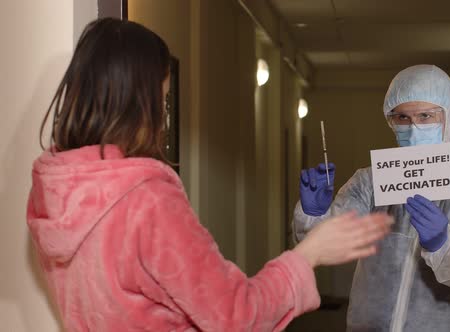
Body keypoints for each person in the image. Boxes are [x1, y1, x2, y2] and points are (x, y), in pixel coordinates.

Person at [26, 18, 393, 332]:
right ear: (139, 101)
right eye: (162, 100)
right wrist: (309, 253)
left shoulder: (57, 192)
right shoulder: (145, 200)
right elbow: (237, 316)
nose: (164, 118)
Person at [293, 64, 450, 331]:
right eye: (402, 118)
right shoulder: (371, 182)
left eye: (425, 116)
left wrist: (445, 244)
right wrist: (314, 216)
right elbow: (323, 248)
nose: (413, 128)